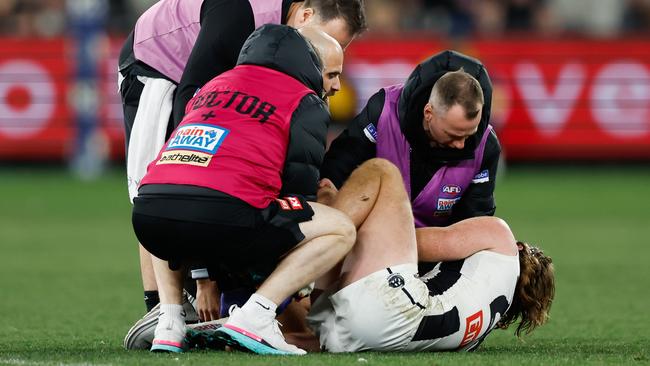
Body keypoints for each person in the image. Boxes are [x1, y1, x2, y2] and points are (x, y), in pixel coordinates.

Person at [118, 0, 367, 314]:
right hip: (157, 66)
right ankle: (160, 310)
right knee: (162, 175)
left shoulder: (271, 43)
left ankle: (200, 303)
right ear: (304, 15)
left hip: (200, 80)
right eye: (327, 40)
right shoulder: (238, 13)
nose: (327, 55)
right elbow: (190, 97)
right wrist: (203, 276)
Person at [300, 158, 555, 352]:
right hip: (361, 335)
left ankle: (299, 259)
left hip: (392, 308)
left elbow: (419, 243)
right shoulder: (478, 337)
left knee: (381, 172)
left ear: (520, 248)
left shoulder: (501, 236)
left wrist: (348, 207)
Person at [320, 51, 500, 252]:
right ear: (428, 113)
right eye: (454, 134)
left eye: (469, 134)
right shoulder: (383, 112)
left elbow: (473, 224)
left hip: (435, 253)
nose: (461, 145)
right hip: (364, 244)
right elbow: (335, 171)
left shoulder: (486, 146)